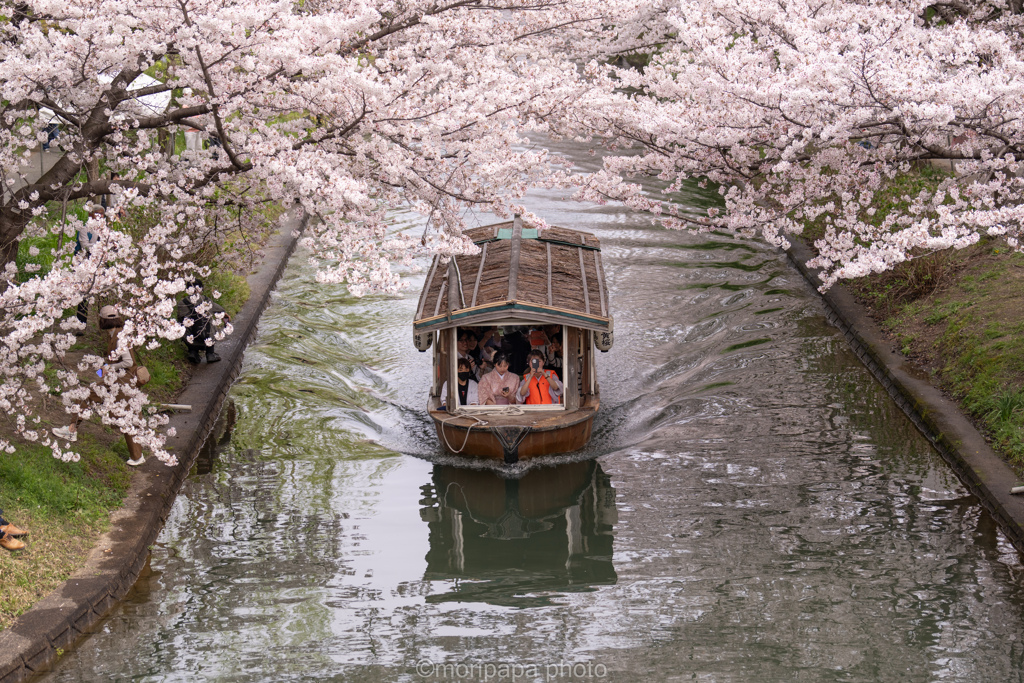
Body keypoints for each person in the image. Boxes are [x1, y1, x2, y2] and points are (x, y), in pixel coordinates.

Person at [52, 306, 150, 466]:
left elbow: (128, 362)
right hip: (117, 380)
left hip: (122, 382)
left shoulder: (119, 337)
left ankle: (137, 456)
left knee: (127, 418)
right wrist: (100, 373)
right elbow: (114, 361)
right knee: (89, 396)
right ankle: (71, 429)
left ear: (102, 320)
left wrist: (108, 369)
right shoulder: (115, 334)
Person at [177, 278, 229, 364]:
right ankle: (210, 353)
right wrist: (226, 316)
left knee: (184, 326)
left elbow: (179, 319)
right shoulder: (205, 300)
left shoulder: (181, 303)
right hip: (206, 338)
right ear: (200, 289)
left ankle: (193, 352)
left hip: (190, 339)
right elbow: (220, 310)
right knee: (209, 320)